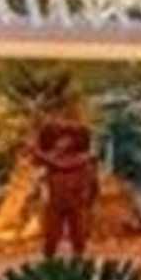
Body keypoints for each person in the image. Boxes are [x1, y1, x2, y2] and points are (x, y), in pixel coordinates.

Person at [29, 96, 101, 263]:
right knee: (52, 234)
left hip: (75, 198)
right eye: (59, 139)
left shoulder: (83, 158)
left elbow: (60, 164)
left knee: (78, 233)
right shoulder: (53, 155)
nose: (62, 142)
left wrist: (91, 196)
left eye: (66, 139)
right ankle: (51, 260)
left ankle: (77, 259)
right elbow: (41, 162)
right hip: (57, 199)